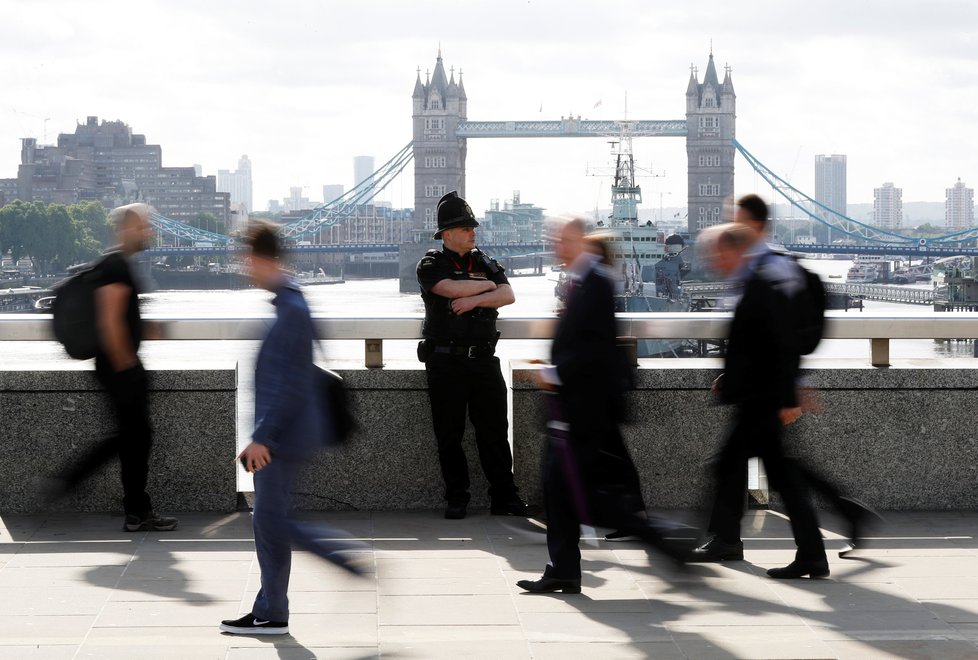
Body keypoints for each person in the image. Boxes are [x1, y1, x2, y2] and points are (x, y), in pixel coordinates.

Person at [517, 218, 685, 595]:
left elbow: (594, 349)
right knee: (558, 490)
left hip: (584, 407)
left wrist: (555, 373)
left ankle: (661, 541)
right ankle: (564, 569)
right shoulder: (584, 281)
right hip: (579, 404)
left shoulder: (594, 284)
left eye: (562, 239)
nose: (555, 246)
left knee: (577, 494)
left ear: (579, 242)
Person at [220, 223, 366, 636]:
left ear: (259, 258)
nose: (241, 265)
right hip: (284, 433)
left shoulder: (291, 309)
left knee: (272, 522)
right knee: (269, 521)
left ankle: (342, 561)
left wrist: (263, 437)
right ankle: (271, 609)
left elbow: (289, 383)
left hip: (283, 437)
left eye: (244, 257)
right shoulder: (289, 302)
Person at [732, 194, 880, 557]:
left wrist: (792, 388)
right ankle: (841, 520)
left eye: (738, 220)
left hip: (770, 387)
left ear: (757, 225)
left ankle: (722, 541)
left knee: (757, 467)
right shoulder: (757, 264)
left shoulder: (774, 267)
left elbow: (784, 335)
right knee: (781, 466)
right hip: (764, 385)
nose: (732, 227)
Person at [690, 221, 828, 579]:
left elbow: (780, 345)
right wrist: (731, 379)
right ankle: (810, 554)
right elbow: (754, 346)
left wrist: (786, 399)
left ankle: (718, 541)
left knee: (727, 467)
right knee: (779, 477)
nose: (713, 260)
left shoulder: (762, 285)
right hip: (759, 396)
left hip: (762, 399)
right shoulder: (755, 282)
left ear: (734, 251)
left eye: (717, 252)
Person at [49, 203, 177, 532]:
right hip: (118, 367)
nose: (149, 232)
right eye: (143, 227)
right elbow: (109, 320)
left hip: (115, 366)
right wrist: (127, 366)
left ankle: (132, 509)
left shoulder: (118, 265)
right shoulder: (117, 266)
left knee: (131, 438)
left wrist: (145, 329)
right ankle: (73, 482)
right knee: (133, 438)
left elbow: (120, 317)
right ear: (126, 230)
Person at [416, 191, 534, 520]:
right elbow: (448, 289)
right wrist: (484, 289)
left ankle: (505, 498)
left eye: (472, 227)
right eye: (466, 228)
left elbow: (508, 295)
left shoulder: (483, 261)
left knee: (494, 432)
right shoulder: (430, 264)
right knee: (449, 434)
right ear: (448, 234)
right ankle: (457, 497)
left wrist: (472, 299)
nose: (473, 232)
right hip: (446, 362)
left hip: (483, 360)